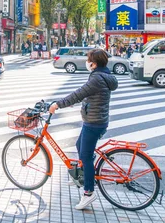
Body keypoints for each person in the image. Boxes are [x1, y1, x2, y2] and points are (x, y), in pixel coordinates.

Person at [49, 49, 118, 210]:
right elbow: (91, 96)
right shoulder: (104, 76)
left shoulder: (96, 78)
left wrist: (57, 104)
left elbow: (78, 93)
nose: (87, 62)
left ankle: (88, 192)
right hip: (96, 120)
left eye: (89, 60)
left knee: (85, 156)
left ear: (94, 63)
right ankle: (83, 174)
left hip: (94, 123)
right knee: (80, 145)